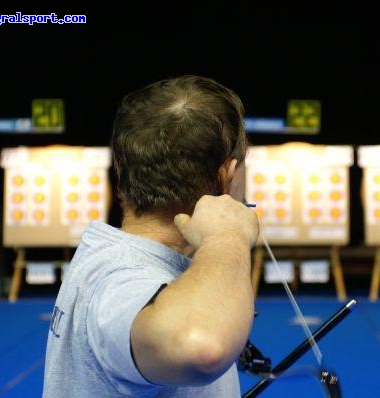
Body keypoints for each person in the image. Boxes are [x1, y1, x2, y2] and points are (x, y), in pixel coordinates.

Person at [43, 75, 259, 397]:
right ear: (225, 178)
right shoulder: (123, 279)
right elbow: (201, 346)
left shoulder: (120, 262)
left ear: (120, 167)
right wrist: (227, 236)